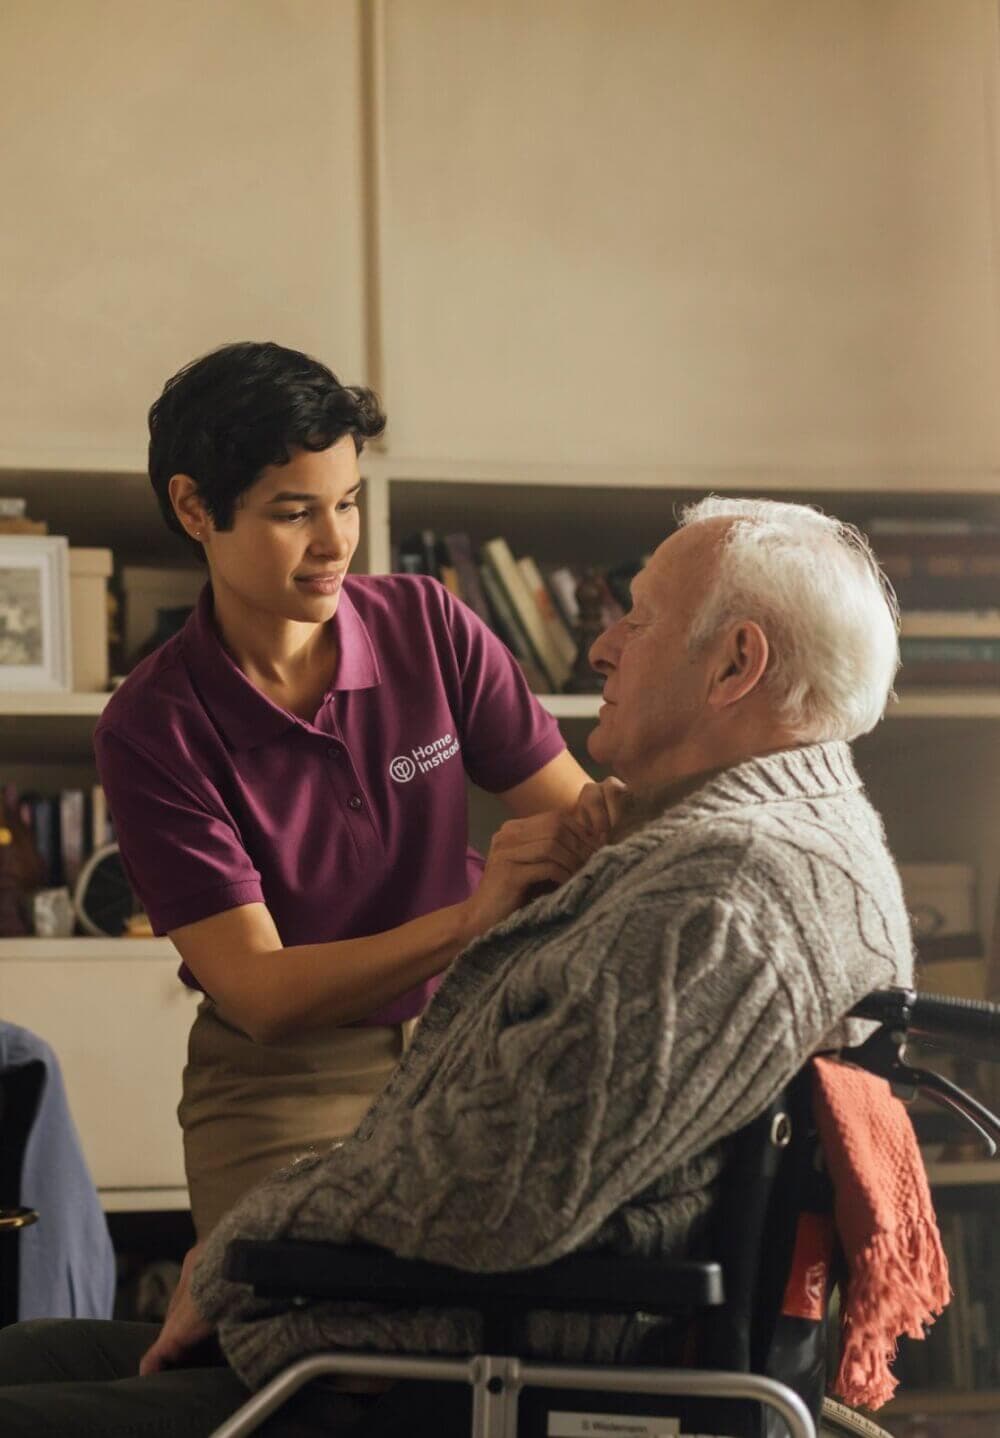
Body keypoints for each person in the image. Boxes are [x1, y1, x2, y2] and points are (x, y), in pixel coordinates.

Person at [0, 497, 914, 1436]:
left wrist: (244, 1242)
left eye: (637, 618)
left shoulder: (724, 898)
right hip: (448, 1328)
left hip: (455, 1370)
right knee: (28, 1354)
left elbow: (500, 1191)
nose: (601, 647)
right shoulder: (771, 844)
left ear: (736, 664)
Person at [92, 342, 605, 1237]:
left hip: (475, 1037)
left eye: (348, 503)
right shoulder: (152, 727)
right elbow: (262, 993)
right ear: (193, 508)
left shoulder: (429, 625)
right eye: (294, 513)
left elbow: (588, 827)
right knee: (299, 1354)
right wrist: (469, 921)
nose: (335, 544)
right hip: (285, 1083)